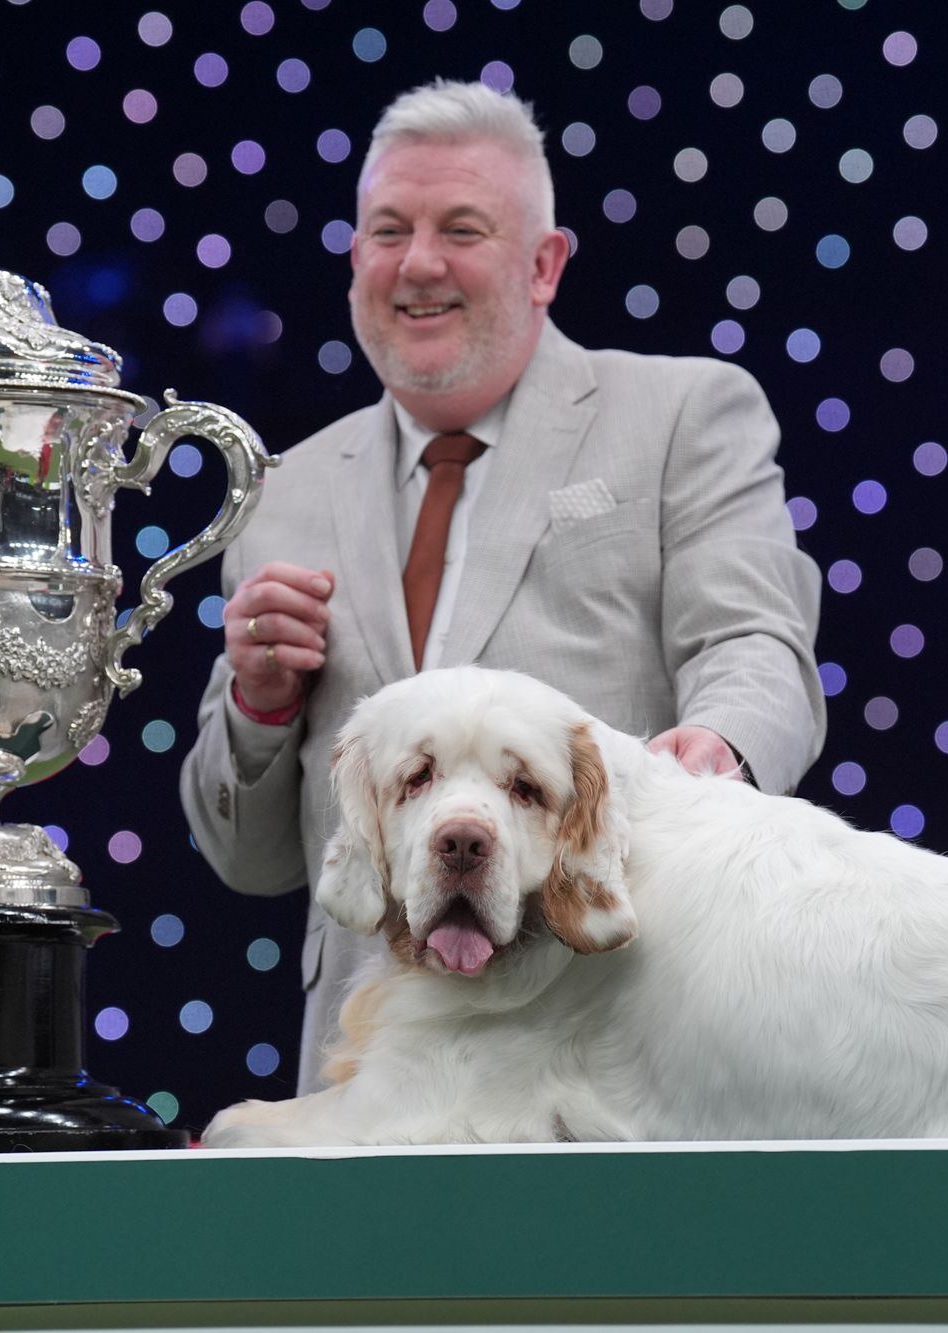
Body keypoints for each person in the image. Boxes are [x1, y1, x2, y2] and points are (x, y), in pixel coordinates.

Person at [180, 78, 825, 1093]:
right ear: (354, 261)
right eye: (386, 231)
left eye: (460, 229)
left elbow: (754, 645)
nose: (417, 263)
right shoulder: (281, 491)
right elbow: (248, 860)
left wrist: (722, 750)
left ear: (543, 264)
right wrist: (257, 705)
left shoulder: (684, 413)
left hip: (613, 1028)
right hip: (365, 1061)